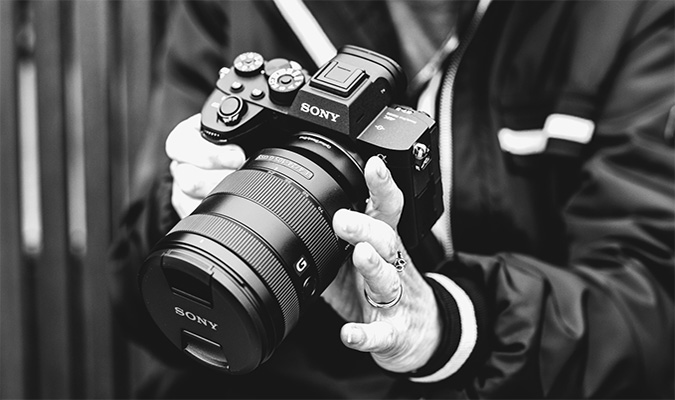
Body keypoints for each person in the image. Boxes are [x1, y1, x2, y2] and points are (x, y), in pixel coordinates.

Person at [109, 0, 675, 398]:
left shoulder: (625, 16)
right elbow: (138, 297)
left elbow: (650, 305)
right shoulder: (243, 9)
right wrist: (188, 207)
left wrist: (445, 326)